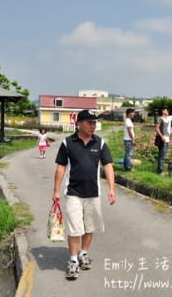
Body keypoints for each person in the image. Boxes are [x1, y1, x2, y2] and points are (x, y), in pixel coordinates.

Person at [52, 109, 116, 280]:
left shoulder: (100, 143)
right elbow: (61, 166)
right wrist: (56, 190)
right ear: (79, 124)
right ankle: (73, 261)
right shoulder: (68, 143)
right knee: (74, 227)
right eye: (90, 122)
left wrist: (111, 188)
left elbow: (108, 165)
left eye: (95, 122)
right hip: (73, 192)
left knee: (89, 226)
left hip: (93, 193)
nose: (93, 126)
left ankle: (83, 253)